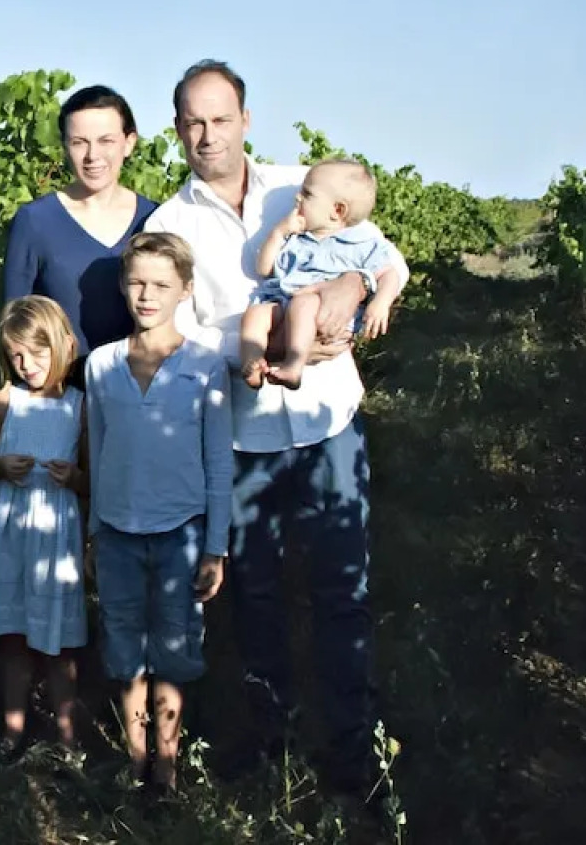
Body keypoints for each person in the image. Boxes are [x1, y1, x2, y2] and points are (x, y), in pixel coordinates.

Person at [142, 59, 409, 800]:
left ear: (246, 121)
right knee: (255, 597)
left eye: (221, 119)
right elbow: (173, 335)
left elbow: (387, 260)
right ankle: (273, 751)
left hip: (329, 422)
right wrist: (252, 347)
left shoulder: (302, 186)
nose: (208, 135)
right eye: (194, 122)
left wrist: (354, 289)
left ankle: (354, 762)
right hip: (243, 438)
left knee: (342, 590)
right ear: (177, 130)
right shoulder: (169, 226)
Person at [82, 232, 232, 796]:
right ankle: (135, 757)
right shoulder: (101, 364)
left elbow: (218, 460)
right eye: (137, 283)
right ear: (124, 287)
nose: (147, 295)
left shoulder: (205, 365)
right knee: (123, 644)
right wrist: (94, 530)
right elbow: (98, 449)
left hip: (181, 531)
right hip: (117, 530)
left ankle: (166, 765)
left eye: (161, 285)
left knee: (174, 646)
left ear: (185, 290)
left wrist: (215, 546)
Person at [0, 294, 90, 761]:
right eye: (16, 356)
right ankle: (13, 728)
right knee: (13, 636)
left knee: (58, 645)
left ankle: (68, 738)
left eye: (36, 353)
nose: (26, 365)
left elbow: (93, 480)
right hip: (10, 529)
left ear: (63, 347)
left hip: (55, 534)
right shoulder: (4, 401)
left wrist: (73, 478)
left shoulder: (79, 407)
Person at [3, 84, 160, 369]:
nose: (92, 155)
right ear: (65, 146)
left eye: (105, 141)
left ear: (129, 143)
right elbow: (14, 324)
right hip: (62, 389)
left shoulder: (155, 220)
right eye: (79, 142)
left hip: (145, 390)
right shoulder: (35, 221)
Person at [239, 158, 402, 390]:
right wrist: (278, 233)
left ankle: (293, 366)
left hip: (322, 313)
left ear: (338, 210)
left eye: (307, 194)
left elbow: (389, 274)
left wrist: (381, 303)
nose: (298, 198)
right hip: (285, 304)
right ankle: (253, 363)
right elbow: (264, 269)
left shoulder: (361, 243)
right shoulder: (297, 239)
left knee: (304, 303)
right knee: (256, 314)